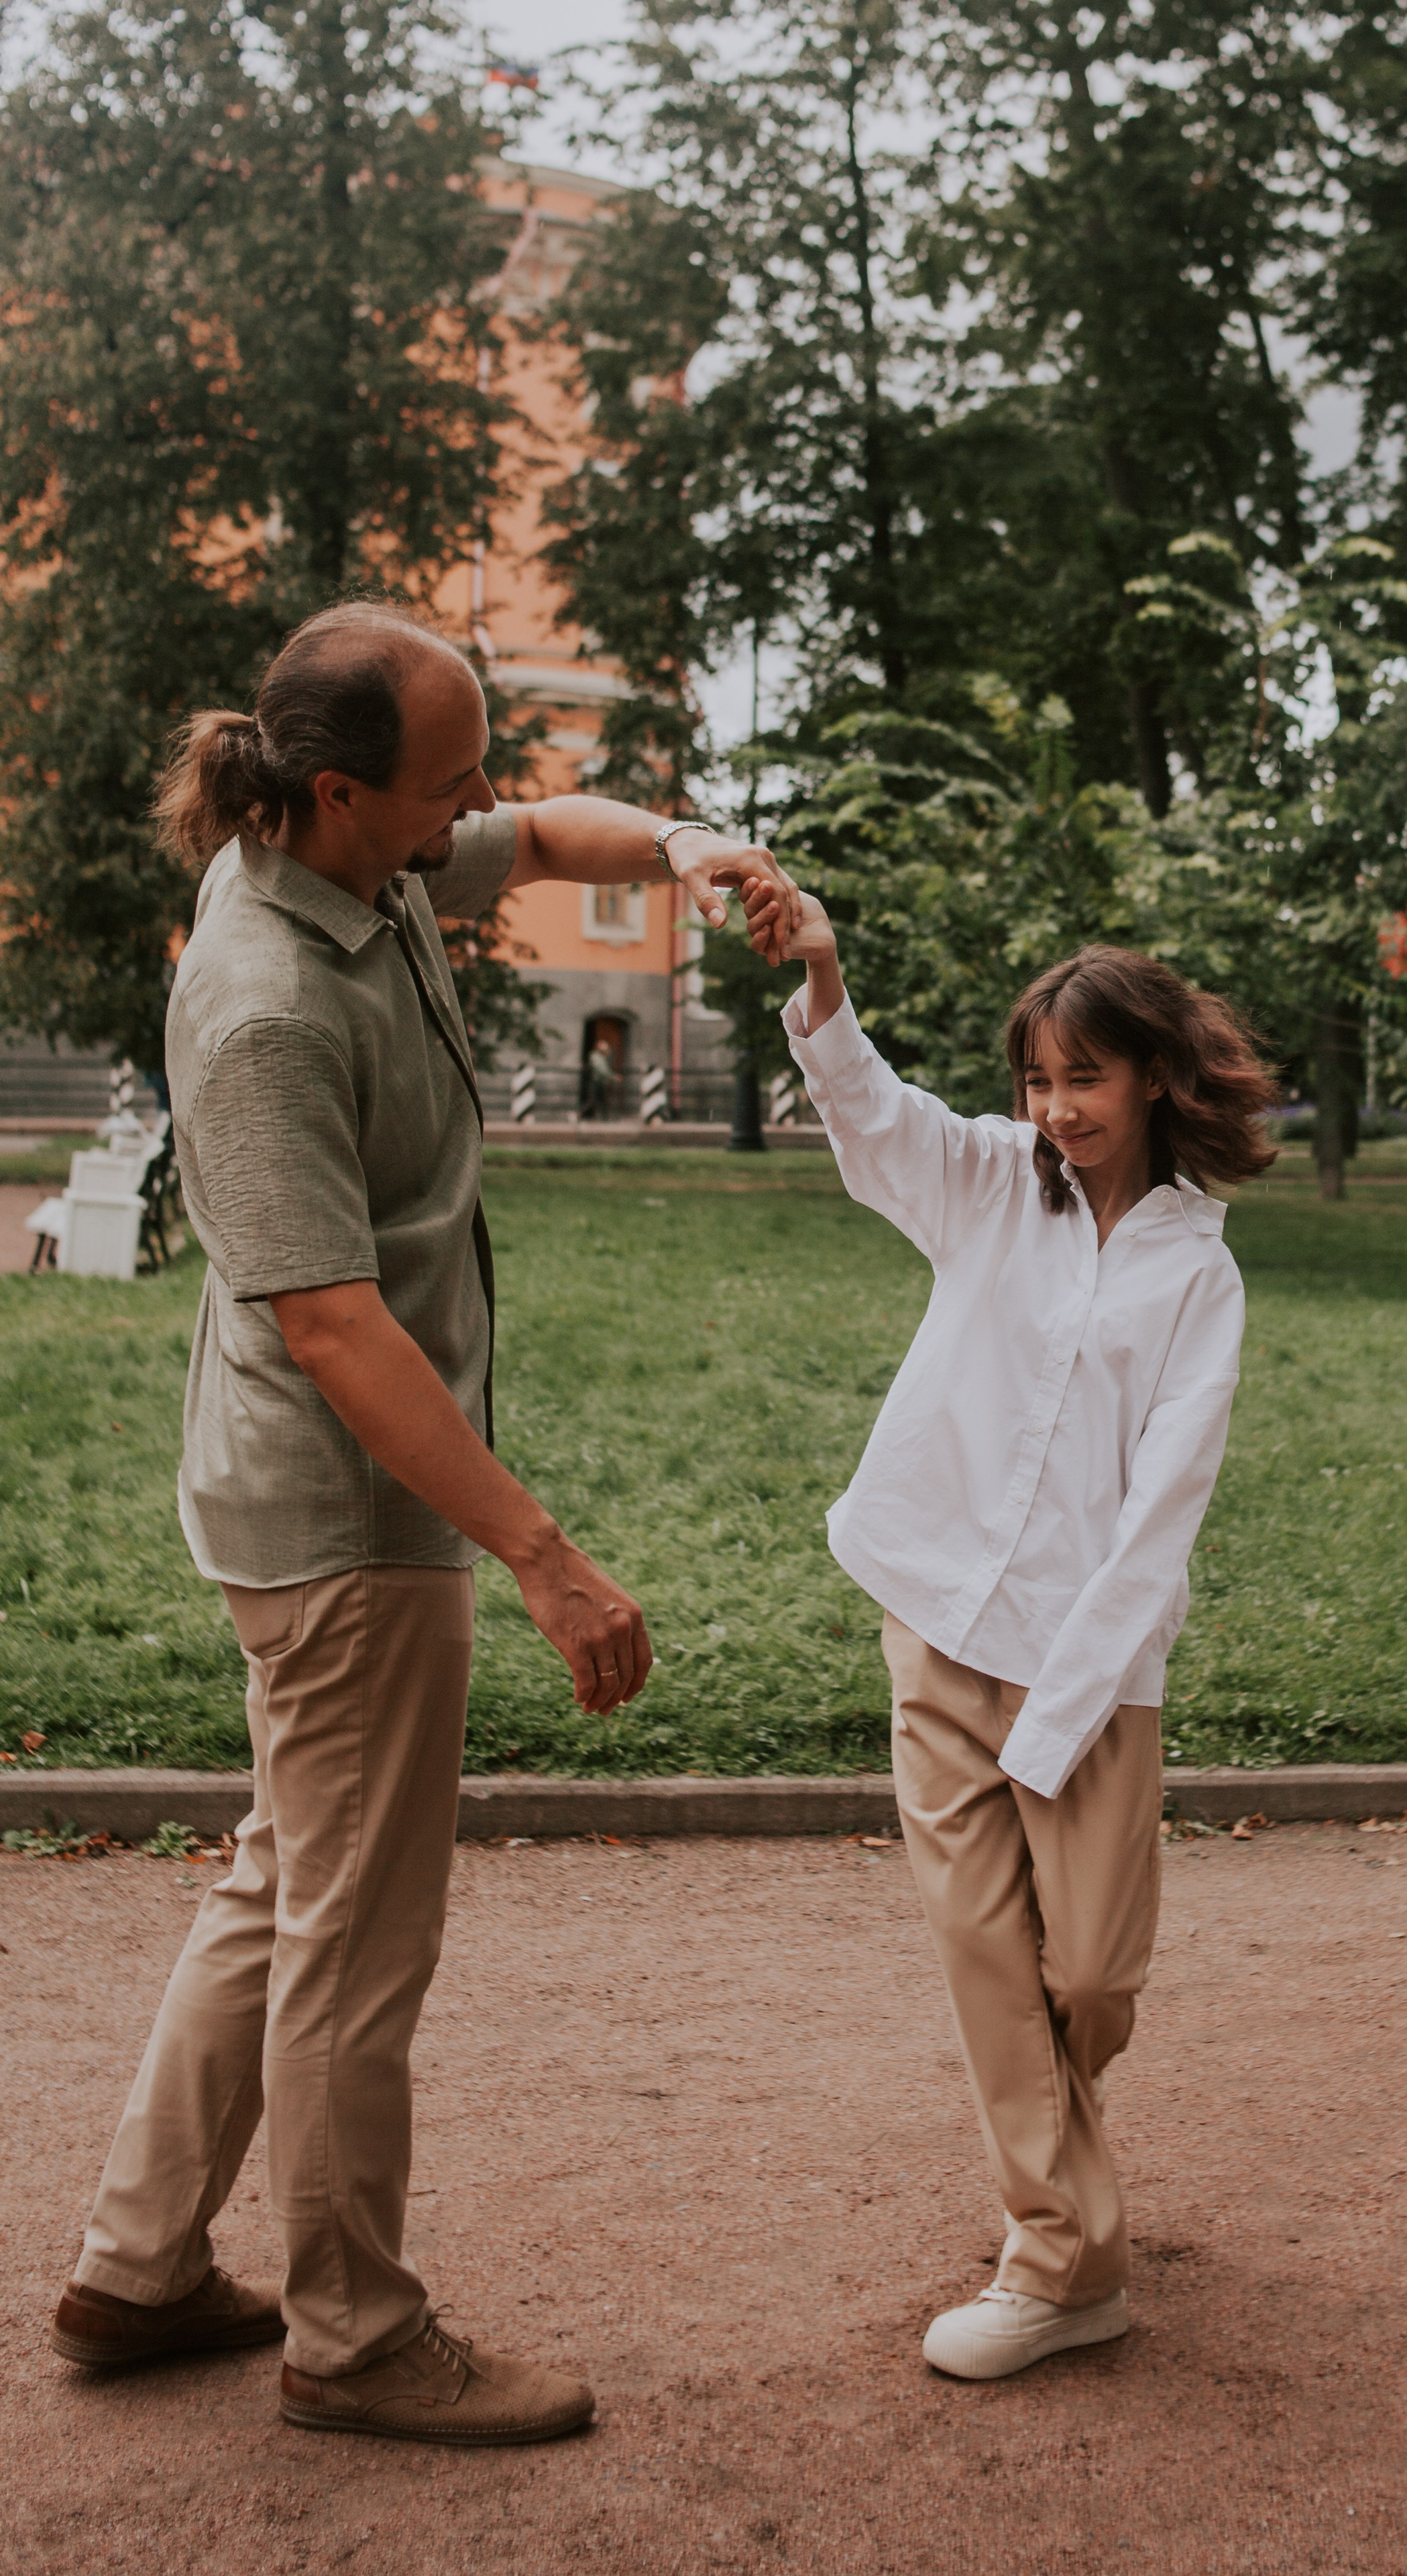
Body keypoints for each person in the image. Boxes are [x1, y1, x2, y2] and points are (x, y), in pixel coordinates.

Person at [50, 601, 797, 2445]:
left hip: (322, 1501)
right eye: (448, 779)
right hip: (343, 1525)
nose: (483, 803)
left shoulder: (355, 856)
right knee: (354, 1942)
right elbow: (333, 1329)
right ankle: (355, 2335)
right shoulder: (264, 1010)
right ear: (333, 791)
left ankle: (141, 2269)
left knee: (284, 1880)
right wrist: (541, 1551)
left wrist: (699, 852)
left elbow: (549, 836)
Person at [740, 875, 1276, 2383]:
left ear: (1157, 1077)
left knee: (1088, 1979)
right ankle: (1061, 2263)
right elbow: (873, 1114)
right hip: (933, 1618)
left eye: (1083, 1079)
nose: (1053, 1110)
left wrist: (1054, 1723)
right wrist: (823, 974)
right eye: (1036, 1081)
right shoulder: (986, 1181)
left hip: (1088, 1674)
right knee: (989, 1957)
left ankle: (1060, 2166)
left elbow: (1158, 1516)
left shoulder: (1197, 1273)